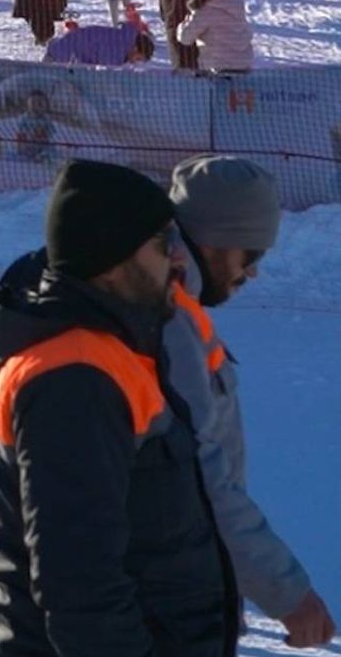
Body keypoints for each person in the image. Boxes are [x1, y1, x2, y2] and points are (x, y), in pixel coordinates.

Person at [0, 159, 236, 656]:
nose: (177, 261)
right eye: (160, 245)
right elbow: (81, 589)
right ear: (112, 262)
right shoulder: (74, 379)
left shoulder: (114, 351)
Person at [166, 155, 336, 648]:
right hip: (167, 602)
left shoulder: (175, 305)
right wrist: (290, 594)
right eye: (251, 253)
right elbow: (204, 478)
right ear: (216, 239)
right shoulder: (167, 320)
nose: (254, 272)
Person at [178, 0, 254, 72]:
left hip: (218, 68)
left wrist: (186, 21)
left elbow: (185, 37)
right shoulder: (237, 7)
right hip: (244, 64)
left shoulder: (204, 11)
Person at [42, 22, 155, 66]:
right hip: (59, 58)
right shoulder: (116, 52)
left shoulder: (122, 38)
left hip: (62, 47)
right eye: (138, 58)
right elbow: (103, 76)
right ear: (135, 49)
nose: (136, 62)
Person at [15, 90, 57, 163]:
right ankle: (33, 157)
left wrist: (45, 133)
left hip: (43, 142)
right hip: (30, 142)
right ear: (28, 105)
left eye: (40, 104)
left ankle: (42, 156)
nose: (36, 107)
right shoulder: (25, 118)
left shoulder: (46, 119)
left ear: (46, 107)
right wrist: (29, 134)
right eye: (33, 103)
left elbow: (52, 130)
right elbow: (21, 130)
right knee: (25, 150)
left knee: (51, 148)